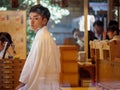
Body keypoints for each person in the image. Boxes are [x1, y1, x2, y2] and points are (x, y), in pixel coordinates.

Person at [15, 4, 61, 90]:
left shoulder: (42, 37)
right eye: (30, 18)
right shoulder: (43, 35)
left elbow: (37, 66)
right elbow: (32, 62)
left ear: (44, 21)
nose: (31, 22)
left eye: (36, 18)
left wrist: (23, 85)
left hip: (43, 84)